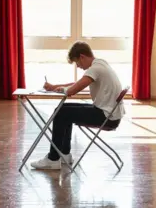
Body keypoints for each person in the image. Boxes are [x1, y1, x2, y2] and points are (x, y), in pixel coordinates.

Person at [30, 41, 125, 170]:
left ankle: (53, 159)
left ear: (82, 57)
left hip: (106, 117)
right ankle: (64, 154)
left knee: (62, 113)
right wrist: (55, 87)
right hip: (110, 114)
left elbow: (73, 90)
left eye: (77, 62)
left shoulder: (95, 68)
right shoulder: (100, 63)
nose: (78, 66)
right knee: (63, 110)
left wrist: (62, 89)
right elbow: (79, 83)